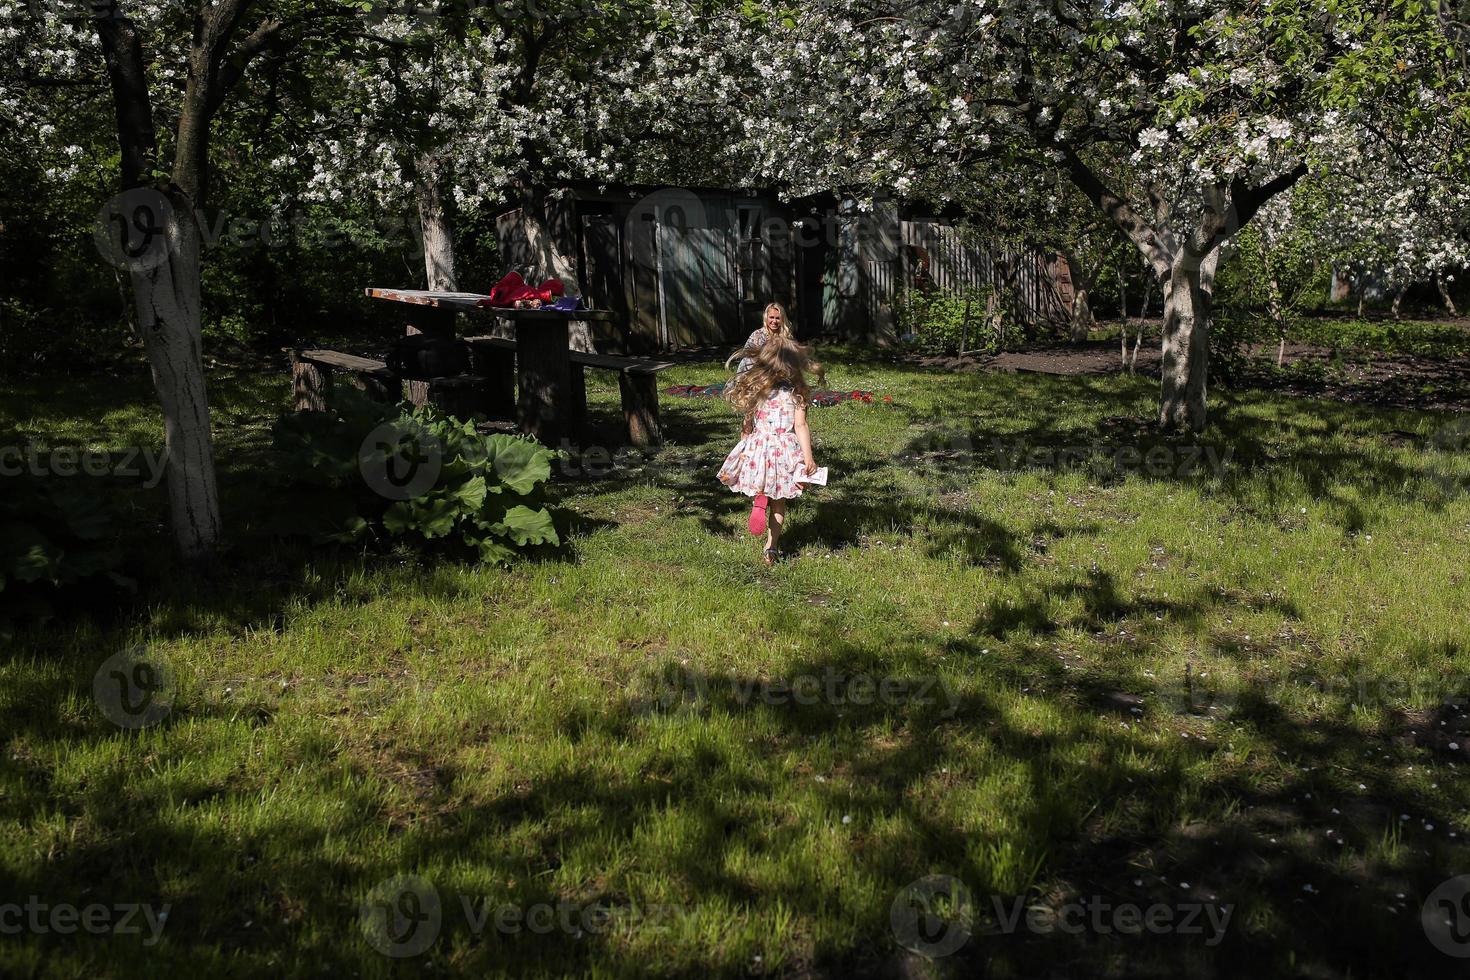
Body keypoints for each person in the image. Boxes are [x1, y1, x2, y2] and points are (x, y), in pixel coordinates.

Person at [717, 335, 824, 566]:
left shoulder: (758, 387)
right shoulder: (797, 392)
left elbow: (748, 421)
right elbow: (801, 426)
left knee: (761, 483)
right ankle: (771, 547)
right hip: (783, 448)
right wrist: (808, 458)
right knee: (780, 501)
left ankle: (759, 499)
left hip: (760, 446)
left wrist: (745, 439)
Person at [735, 303, 794, 376]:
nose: (774, 321)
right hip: (758, 371)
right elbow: (748, 355)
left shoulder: (786, 336)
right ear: (766, 318)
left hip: (779, 371)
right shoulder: (757, 335)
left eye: (778, 318)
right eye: (771, 317)